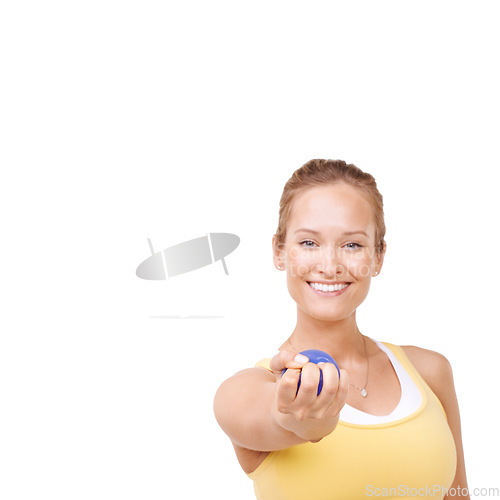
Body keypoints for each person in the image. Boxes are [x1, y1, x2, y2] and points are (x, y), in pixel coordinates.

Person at [213, 159, 469, 500]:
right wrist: (298, 422)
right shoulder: (248, 391)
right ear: (279, 252)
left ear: (378, 257)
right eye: (308, 243)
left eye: (352, 245)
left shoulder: (430, 371)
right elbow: (274, 416)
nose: (330, 266)